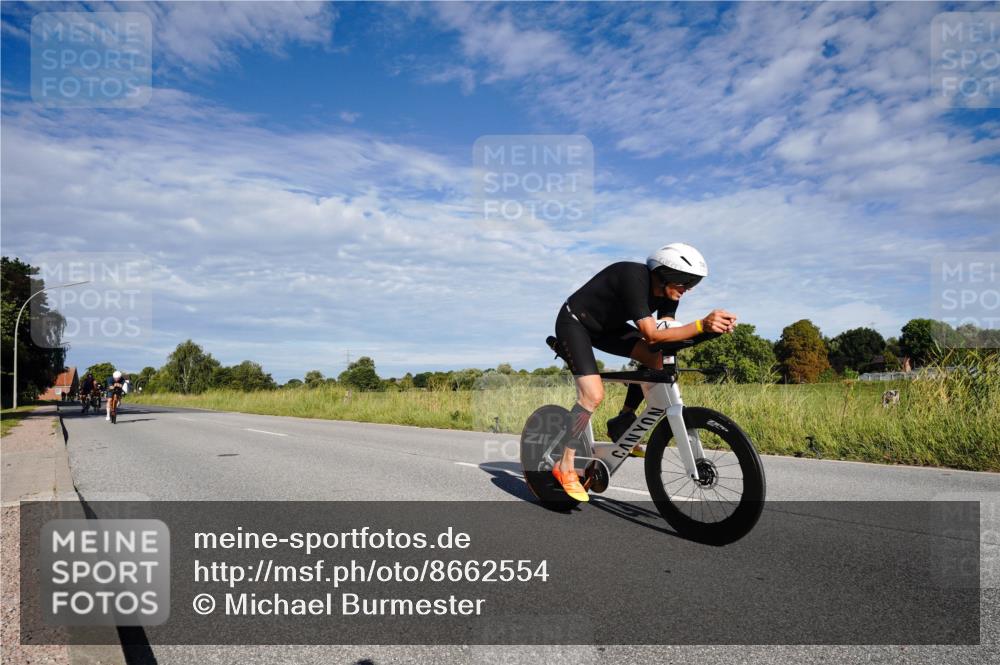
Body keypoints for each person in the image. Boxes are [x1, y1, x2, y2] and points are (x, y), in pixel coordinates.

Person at [550, 243, 737, 502]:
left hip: (609, 328)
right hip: (576, 323)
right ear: (664, 273)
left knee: (658, 359)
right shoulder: (633, 278)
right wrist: (701, 325)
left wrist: (707, 333)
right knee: (592, 395)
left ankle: (623, 419)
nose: (688, 289)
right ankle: (564, 464)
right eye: (685, 281)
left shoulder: (670, 294)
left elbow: (666, 337)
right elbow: (650, 333)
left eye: (693, 283)